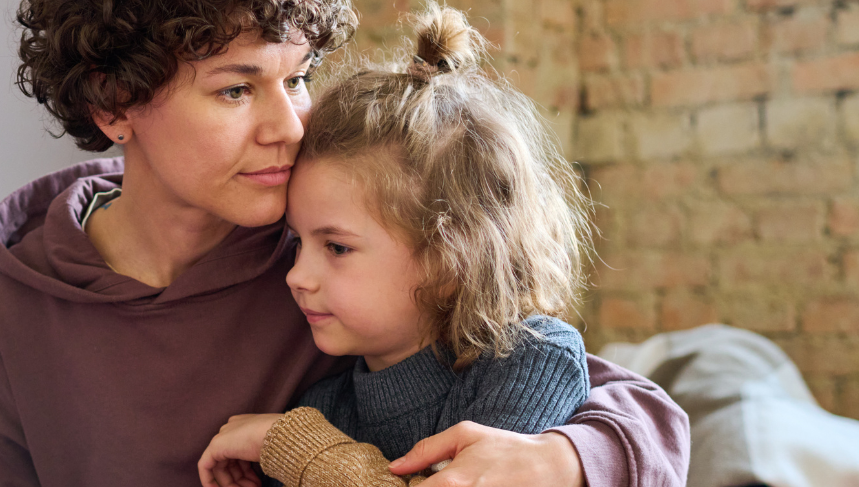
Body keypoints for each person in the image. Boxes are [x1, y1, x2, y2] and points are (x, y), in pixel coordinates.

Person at [0, 0, 690, 486]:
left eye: (298, 78)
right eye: (235, 90)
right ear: (114, 103)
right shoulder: (15, 309)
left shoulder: (339, 250)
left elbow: (633, 408)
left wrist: (561, 459)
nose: (289, 126)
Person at [195, 6, 595, 486]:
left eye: (337, 248)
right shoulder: (322, 407)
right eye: (299, 242)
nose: (296, 275)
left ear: (452, 259)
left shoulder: (532, 360)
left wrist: (293, 447)